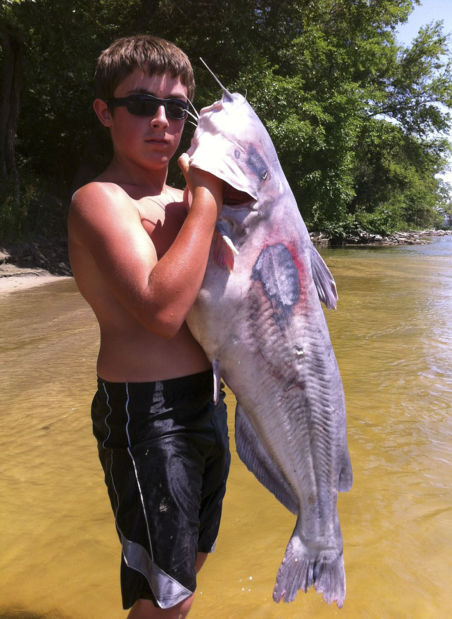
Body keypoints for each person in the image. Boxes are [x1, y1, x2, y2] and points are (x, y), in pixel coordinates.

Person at [68, 34, 230, 618]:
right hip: (147, 413)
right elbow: (161, 311)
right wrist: (207, 197)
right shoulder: (101, 201)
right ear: (105, 112)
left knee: (187, 570)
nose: (162, 120)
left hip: (209, 404)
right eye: (141, 104)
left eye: (177, 108)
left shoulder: (184, 202)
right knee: (165, 596)